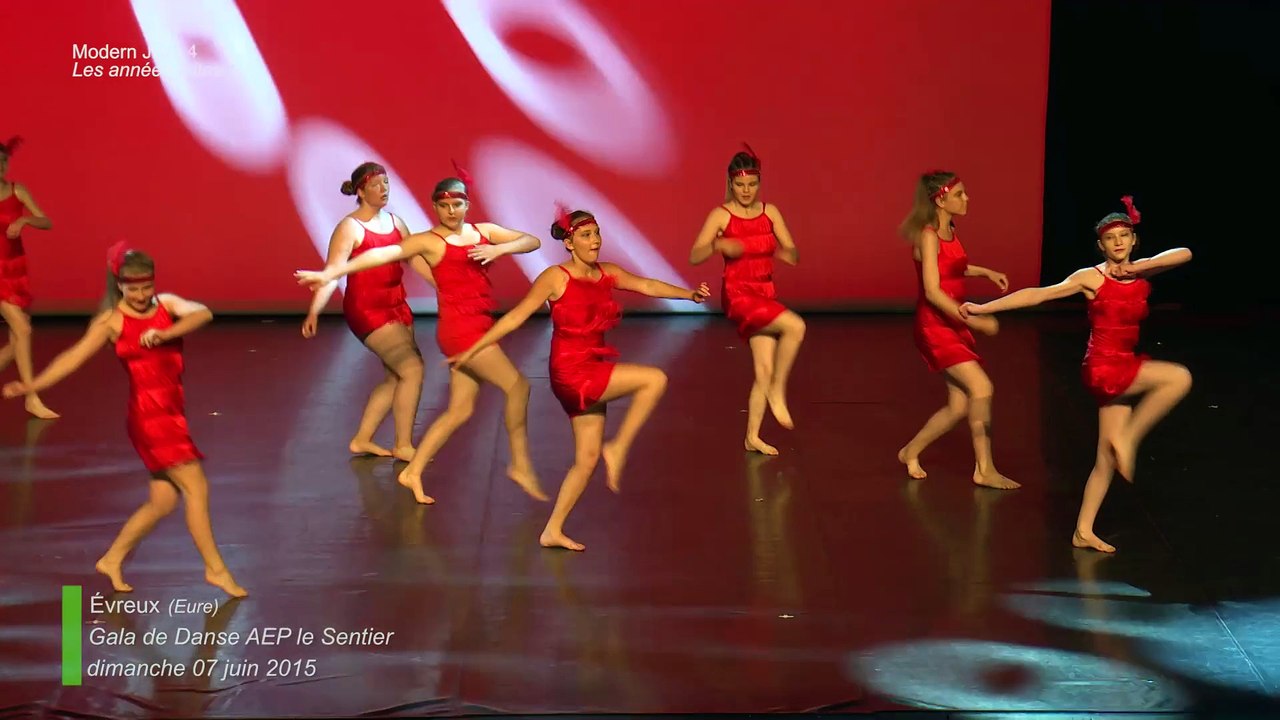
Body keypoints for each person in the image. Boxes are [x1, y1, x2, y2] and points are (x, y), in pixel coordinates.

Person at [449, 206, 710, 551]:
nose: (595, 241)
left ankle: (552, 530)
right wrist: (472, 350)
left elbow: (646, 284)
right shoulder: (555, 277)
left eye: (597, 234)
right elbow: (516, 317)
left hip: (592, 366)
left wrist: (688, 295)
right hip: (572, 372)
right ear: (570, 243)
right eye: (586, 235)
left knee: (586, 461)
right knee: (654, 379)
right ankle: (617, 447)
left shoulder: (608, 273)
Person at [3, 243, 247, 596]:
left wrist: (165, 333)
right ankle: (216, 569)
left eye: (146, 287)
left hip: (172, 413)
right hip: (150, 418)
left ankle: (113, 558)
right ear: (120, 285)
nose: (141, 295)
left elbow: (203, 313)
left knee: (163, 501)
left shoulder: (166, 305)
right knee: (197, 488)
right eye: (133, 289)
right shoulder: (111, 321)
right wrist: (31, 385)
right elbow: (72, 359)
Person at [296, 173, 546, 504]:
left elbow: (532, 241)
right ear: (435, 209)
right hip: (462, 331)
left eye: (457, 205)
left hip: (480, 323)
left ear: (467, 205)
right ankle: (520, 464)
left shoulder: (482, 232)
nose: (451, 212)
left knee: (459, 410)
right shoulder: (429, 241)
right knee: (517, 386)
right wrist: (330, 273)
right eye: (444, 206)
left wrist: (500, 248)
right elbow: (381, 255)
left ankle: (411, 472)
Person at [961, 197, 1192, 551]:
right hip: (1103, 365)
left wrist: (1140, 267)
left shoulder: (1142, 269)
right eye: (1110, 238)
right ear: (1100, 245)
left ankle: (1083, 530)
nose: (1118, 243)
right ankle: (1129, 438)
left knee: (1105, 459)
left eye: (1124, 236)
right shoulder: (1091, 277)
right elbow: (1039, 295)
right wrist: (985, 307)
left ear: (1133, 241)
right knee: (1178, 378)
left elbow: (1185, 253)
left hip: (1126, 364)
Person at [302, 162, 433, 461]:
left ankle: (362, 440)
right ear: (360, 191)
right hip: (367, 309)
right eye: (376, 184)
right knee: (412, 369)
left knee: (395, 377)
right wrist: (314, 312)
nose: (384, 189)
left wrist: (443, 285)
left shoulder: (397, 223)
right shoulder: (349, 227)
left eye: (386, 183)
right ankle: (403, 445)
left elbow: (415, 260)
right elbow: (332, 272)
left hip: (397, 304)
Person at [896, 170, 1018, 489]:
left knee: (959, 405)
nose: (967, 199)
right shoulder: (928, 234)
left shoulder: (949, 228)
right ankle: (985, 469)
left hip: (953, 320)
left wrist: (986, 273)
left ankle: (910, 451)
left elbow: (954, 265)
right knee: (982, 388)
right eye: (960, 194)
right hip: (935, 325)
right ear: (941, 199)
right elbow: (934, 291)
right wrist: (974, 320)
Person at [689, 145, 804, 455]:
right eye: (740, 185)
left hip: (765, 291)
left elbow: (792, 250)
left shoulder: (771, 212)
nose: (746, 191)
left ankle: (751, 436)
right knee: (796, 326)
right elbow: (695, 255)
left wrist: (785, 253)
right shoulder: (721, 215)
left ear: (759, 183)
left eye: (751, 185)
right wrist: (718, 243)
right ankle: (778, 390)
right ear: (730, 183)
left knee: (763, 369)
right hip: (739, 293)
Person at [0, 135, 58, 419]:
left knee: (15, 344)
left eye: (2, 162)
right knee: (23, 330)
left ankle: (30, 394)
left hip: (16, 270)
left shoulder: (17, 190)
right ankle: (31, 396)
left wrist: (24, 220)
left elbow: (46, 221)